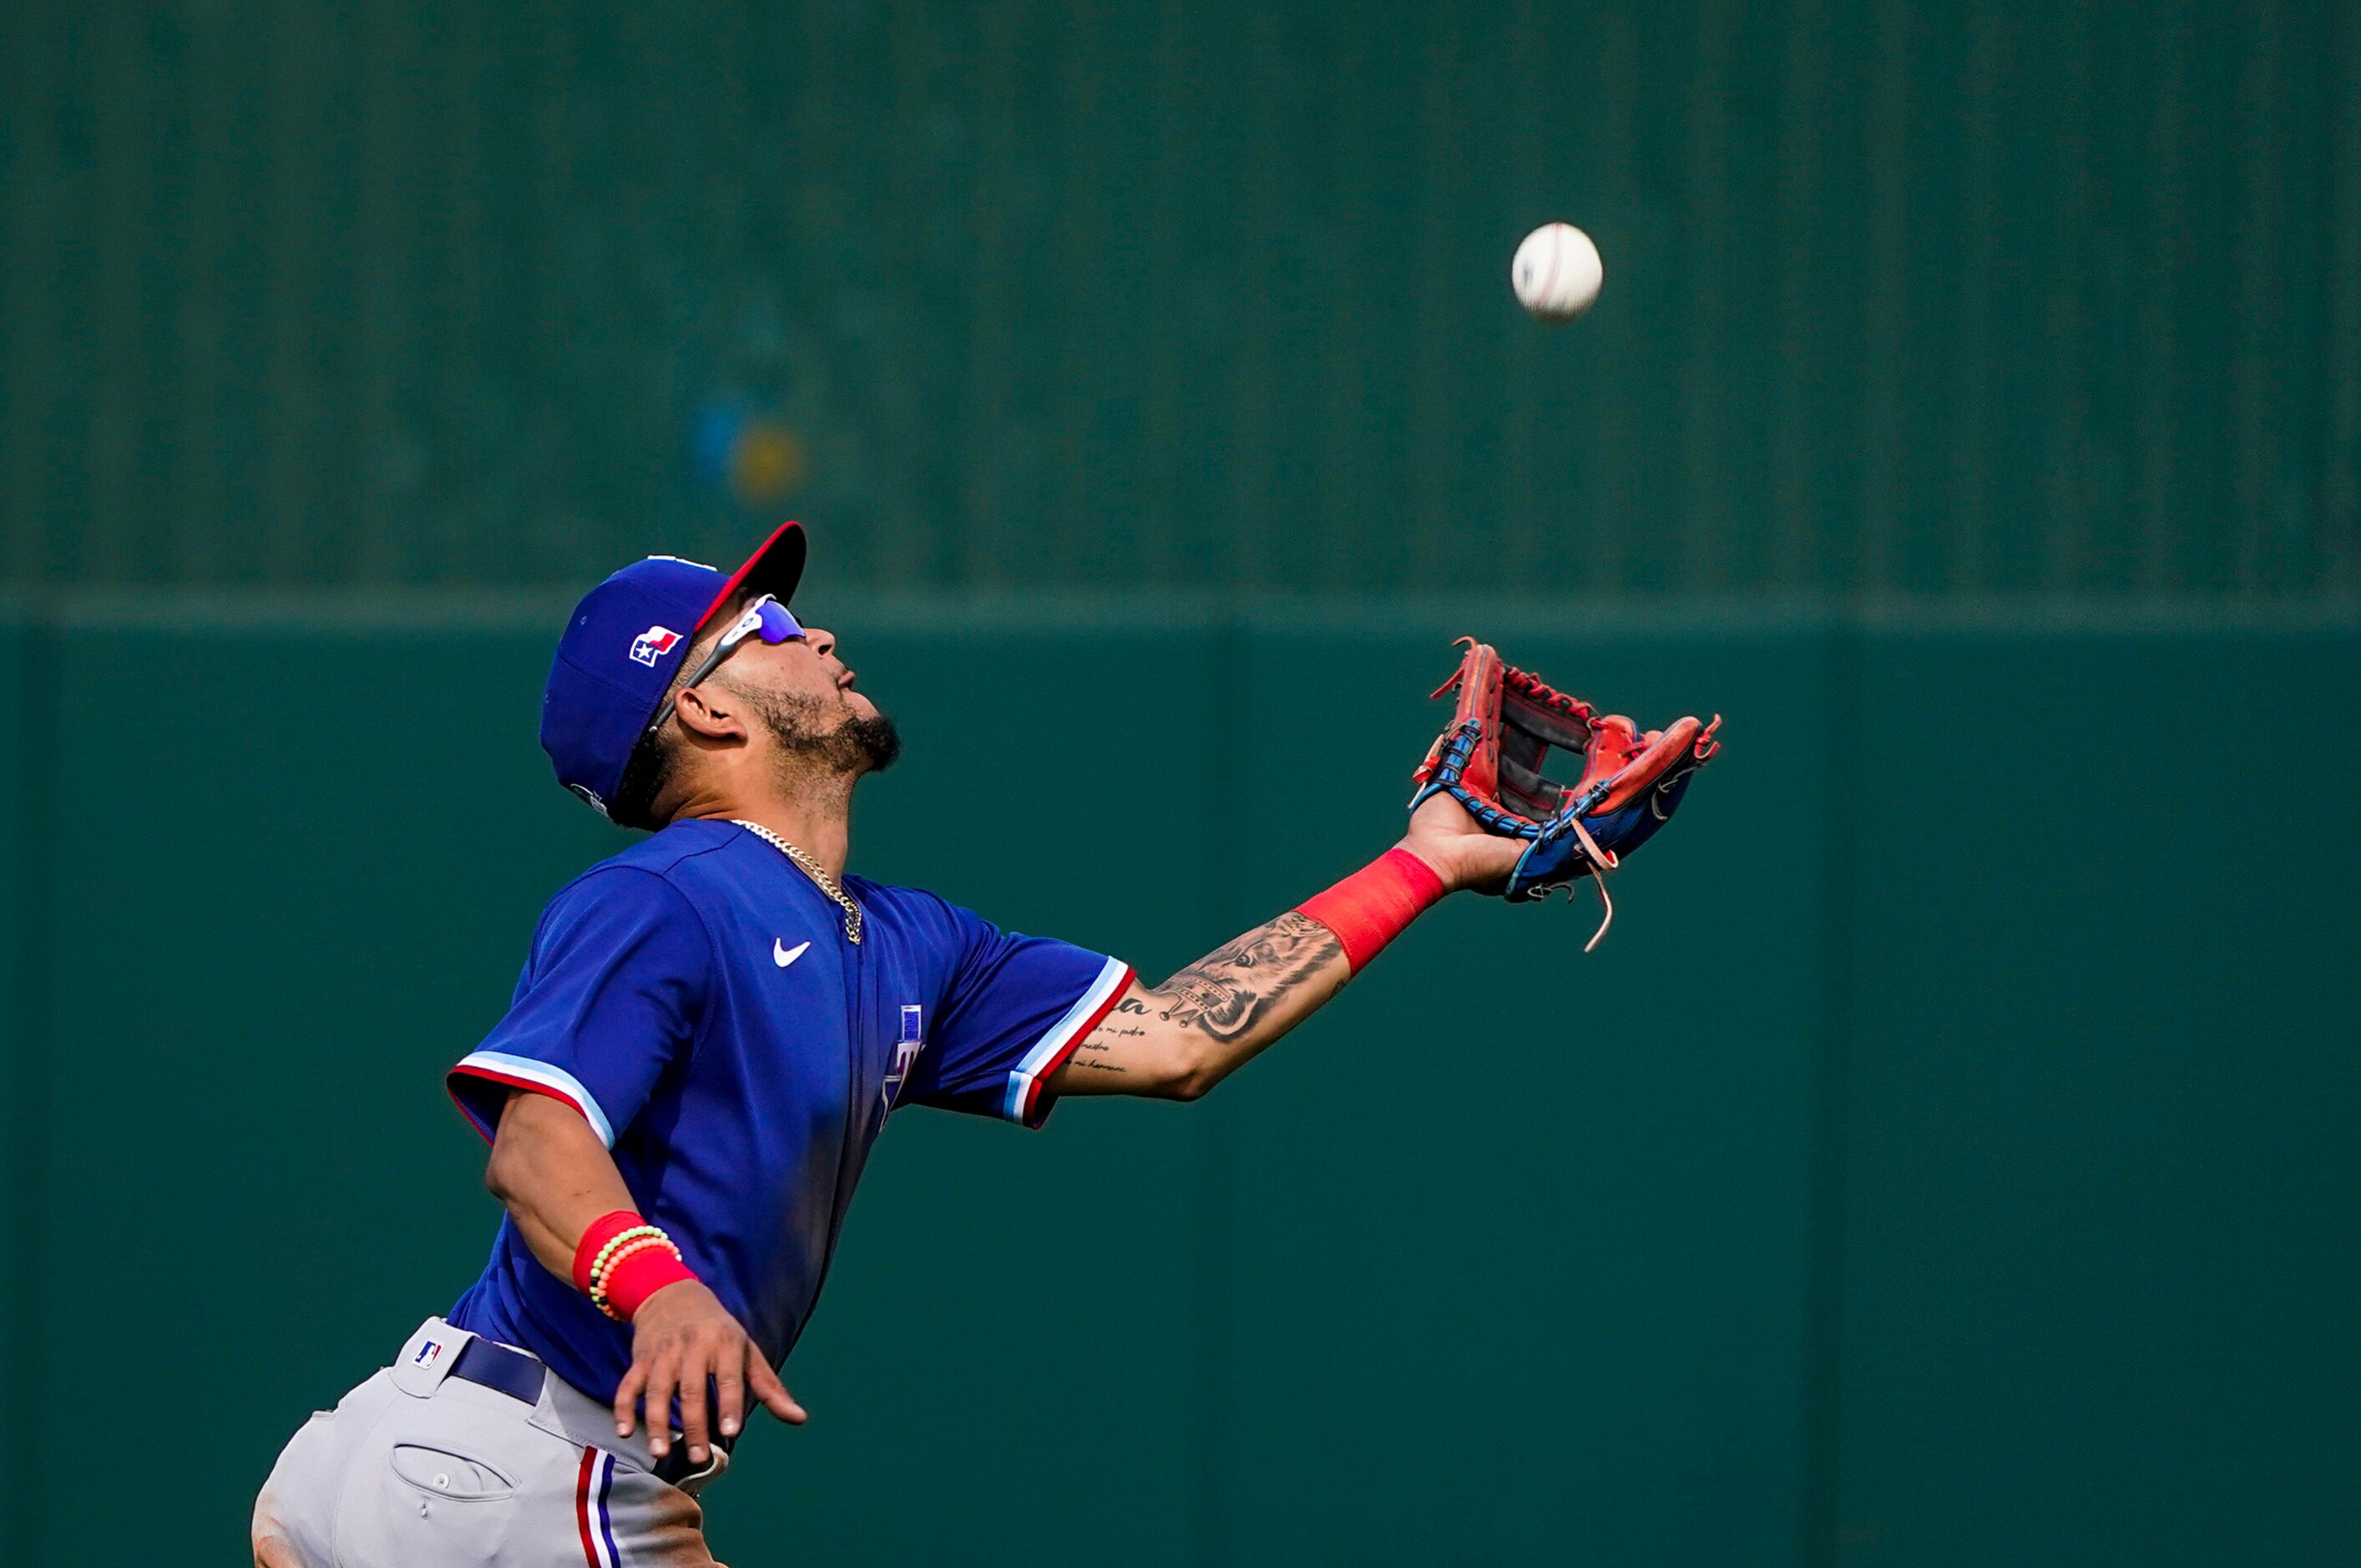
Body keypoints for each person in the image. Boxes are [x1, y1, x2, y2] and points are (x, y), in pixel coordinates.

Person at [252, 523, 1526, 1567]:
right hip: (502, 1466)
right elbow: (535, 1141)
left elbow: (1177, 1038)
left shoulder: (912, 945)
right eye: (767, 625)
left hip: (488, 1471)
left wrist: (1423, 862)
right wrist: (664, 1286)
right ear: (701, 709)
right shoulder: (670, 893)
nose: (817, 632)